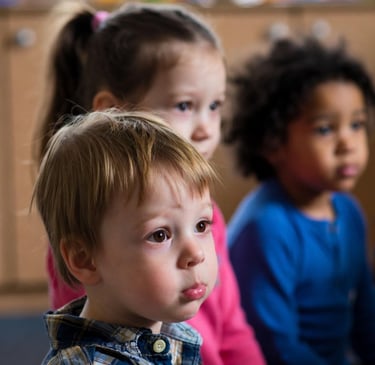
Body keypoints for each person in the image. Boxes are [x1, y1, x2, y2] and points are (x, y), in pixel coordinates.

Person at [33, 2, 265, 364]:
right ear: (116, 110)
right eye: (185, 105)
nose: (206, 127)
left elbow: (233, 328)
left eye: (215, 105)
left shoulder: (203, 215)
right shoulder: (94, 233)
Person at [225, 36, 375, 365]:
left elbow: (366, 315)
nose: (348, 143)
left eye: (357, 125)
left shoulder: (348, 211)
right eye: (325, 129)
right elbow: (277, 347)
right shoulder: (267, 227)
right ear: (272, 143)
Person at [33, 109, 219, 364]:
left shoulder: (171, 335)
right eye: (160, 234)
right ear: (85, 258)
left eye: (201, 225)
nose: (196, 254)